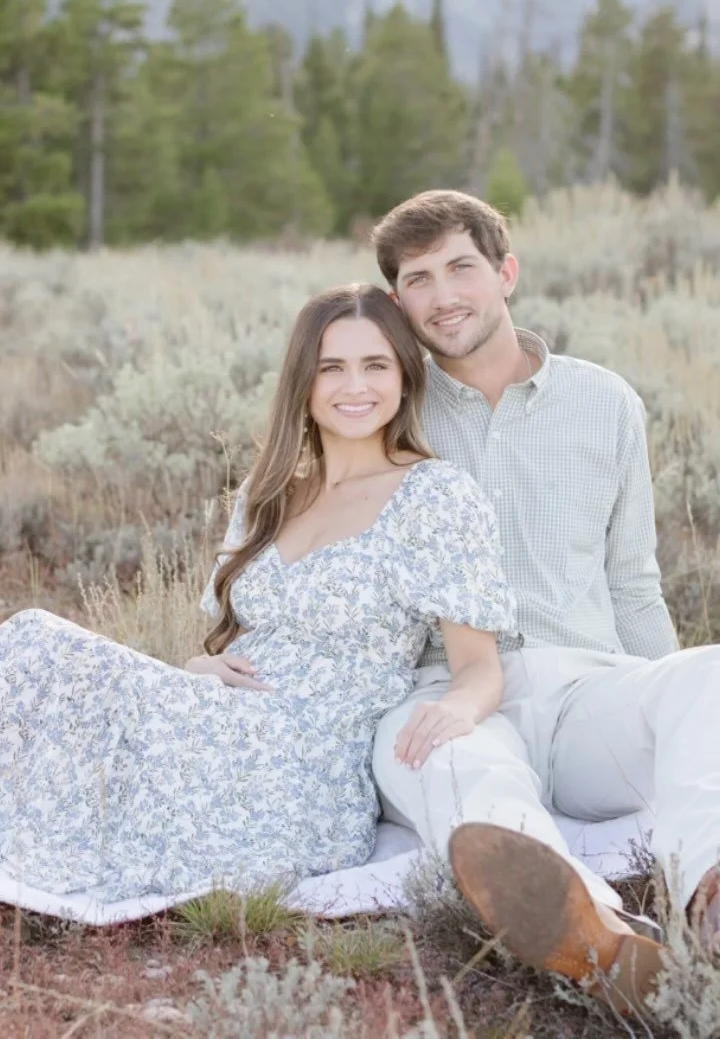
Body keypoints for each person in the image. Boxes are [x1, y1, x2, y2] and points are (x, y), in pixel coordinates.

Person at [0, 284, 518, 909]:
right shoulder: (269, 491)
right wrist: (198, 668)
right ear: (303, 382)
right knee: (35, 649)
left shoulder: (435, 496)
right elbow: (224, 638)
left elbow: (479, 668)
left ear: (405, 378)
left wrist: (459, 710)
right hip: (220, 724)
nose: (354, 386)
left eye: (375, 365)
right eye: (332, 368)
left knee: (32, 639)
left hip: (302, 769)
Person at [370, 190, 720, 1014]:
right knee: (461, 764)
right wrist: (219, 640)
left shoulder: (606, 404)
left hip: (583, 689)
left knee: (708, 675)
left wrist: (653, 718)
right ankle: (596, 936)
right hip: (443, 695)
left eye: (462, 268)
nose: (445, 294)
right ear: (397, 302)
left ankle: (708, 901)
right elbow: (277, 527)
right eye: (420, 279)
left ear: (507, 273)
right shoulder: (382, 405)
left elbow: (632, 582)